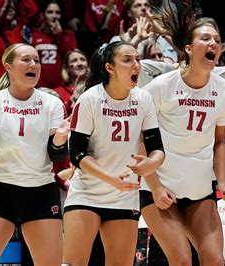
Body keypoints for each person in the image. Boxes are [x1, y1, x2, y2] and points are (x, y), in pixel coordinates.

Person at [141, 2, 225, 263]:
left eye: (217, 40)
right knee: (181, 259)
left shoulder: (224, 90)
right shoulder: (161, 86)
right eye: (205, 38)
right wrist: (156, 186)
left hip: (199, 189)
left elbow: (219, 141)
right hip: (157, 187)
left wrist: (222, 180)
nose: (213, 44)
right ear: (188, 48)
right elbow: (138, 139)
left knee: (215, 259)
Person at [62, 40, 165, 265]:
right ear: (110, 68)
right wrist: (109, 178)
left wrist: (153, 163)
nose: (136, 65)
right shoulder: (90, 99)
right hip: (87, 193)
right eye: (127, 60)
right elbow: (76, 153)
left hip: (124, 196)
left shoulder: (143, 99)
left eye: (137, 59)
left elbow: (157, 148)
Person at [0, 43, 69, 265]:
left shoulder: (52, 103)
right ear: (8, 66)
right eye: (26, 60)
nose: (34, 64)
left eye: (37, 60)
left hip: (41, 192)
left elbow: (57, 157)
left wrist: (60, 139)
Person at [31, 0, 77, 90]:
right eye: (50, 12)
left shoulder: (68, 35)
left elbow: (71, 58)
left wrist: (59, 35)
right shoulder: (35, 36)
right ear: (42, 15)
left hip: (60, 88)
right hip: (38, 88)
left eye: (58, 13)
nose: (54, 16)